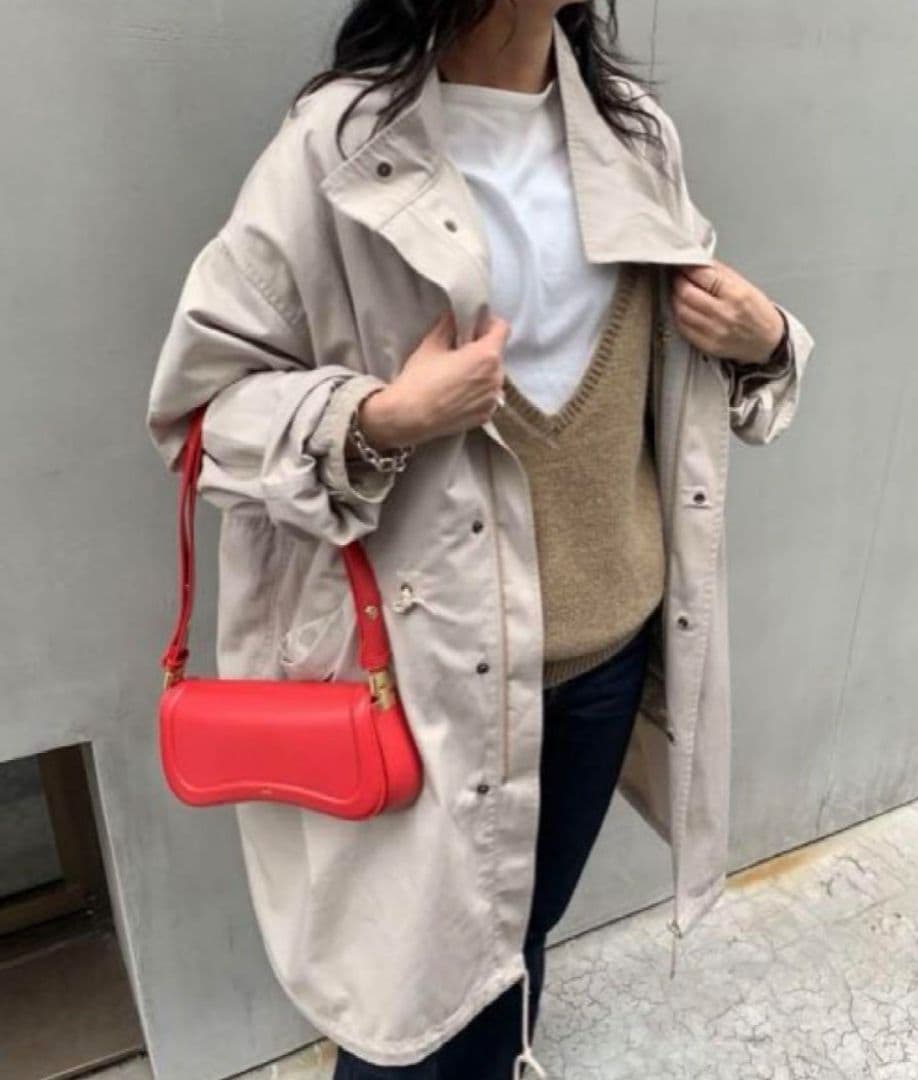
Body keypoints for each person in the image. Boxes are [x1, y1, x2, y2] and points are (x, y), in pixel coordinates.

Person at [146, 2, 815, 1077]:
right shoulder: (337, 147)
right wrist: (382, 419)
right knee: (410, 1011)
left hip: (606, 659)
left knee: (515, 947)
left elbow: (683, 356)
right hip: (428, 684)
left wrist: (767, 338)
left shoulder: (634, 134)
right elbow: (199, 416)